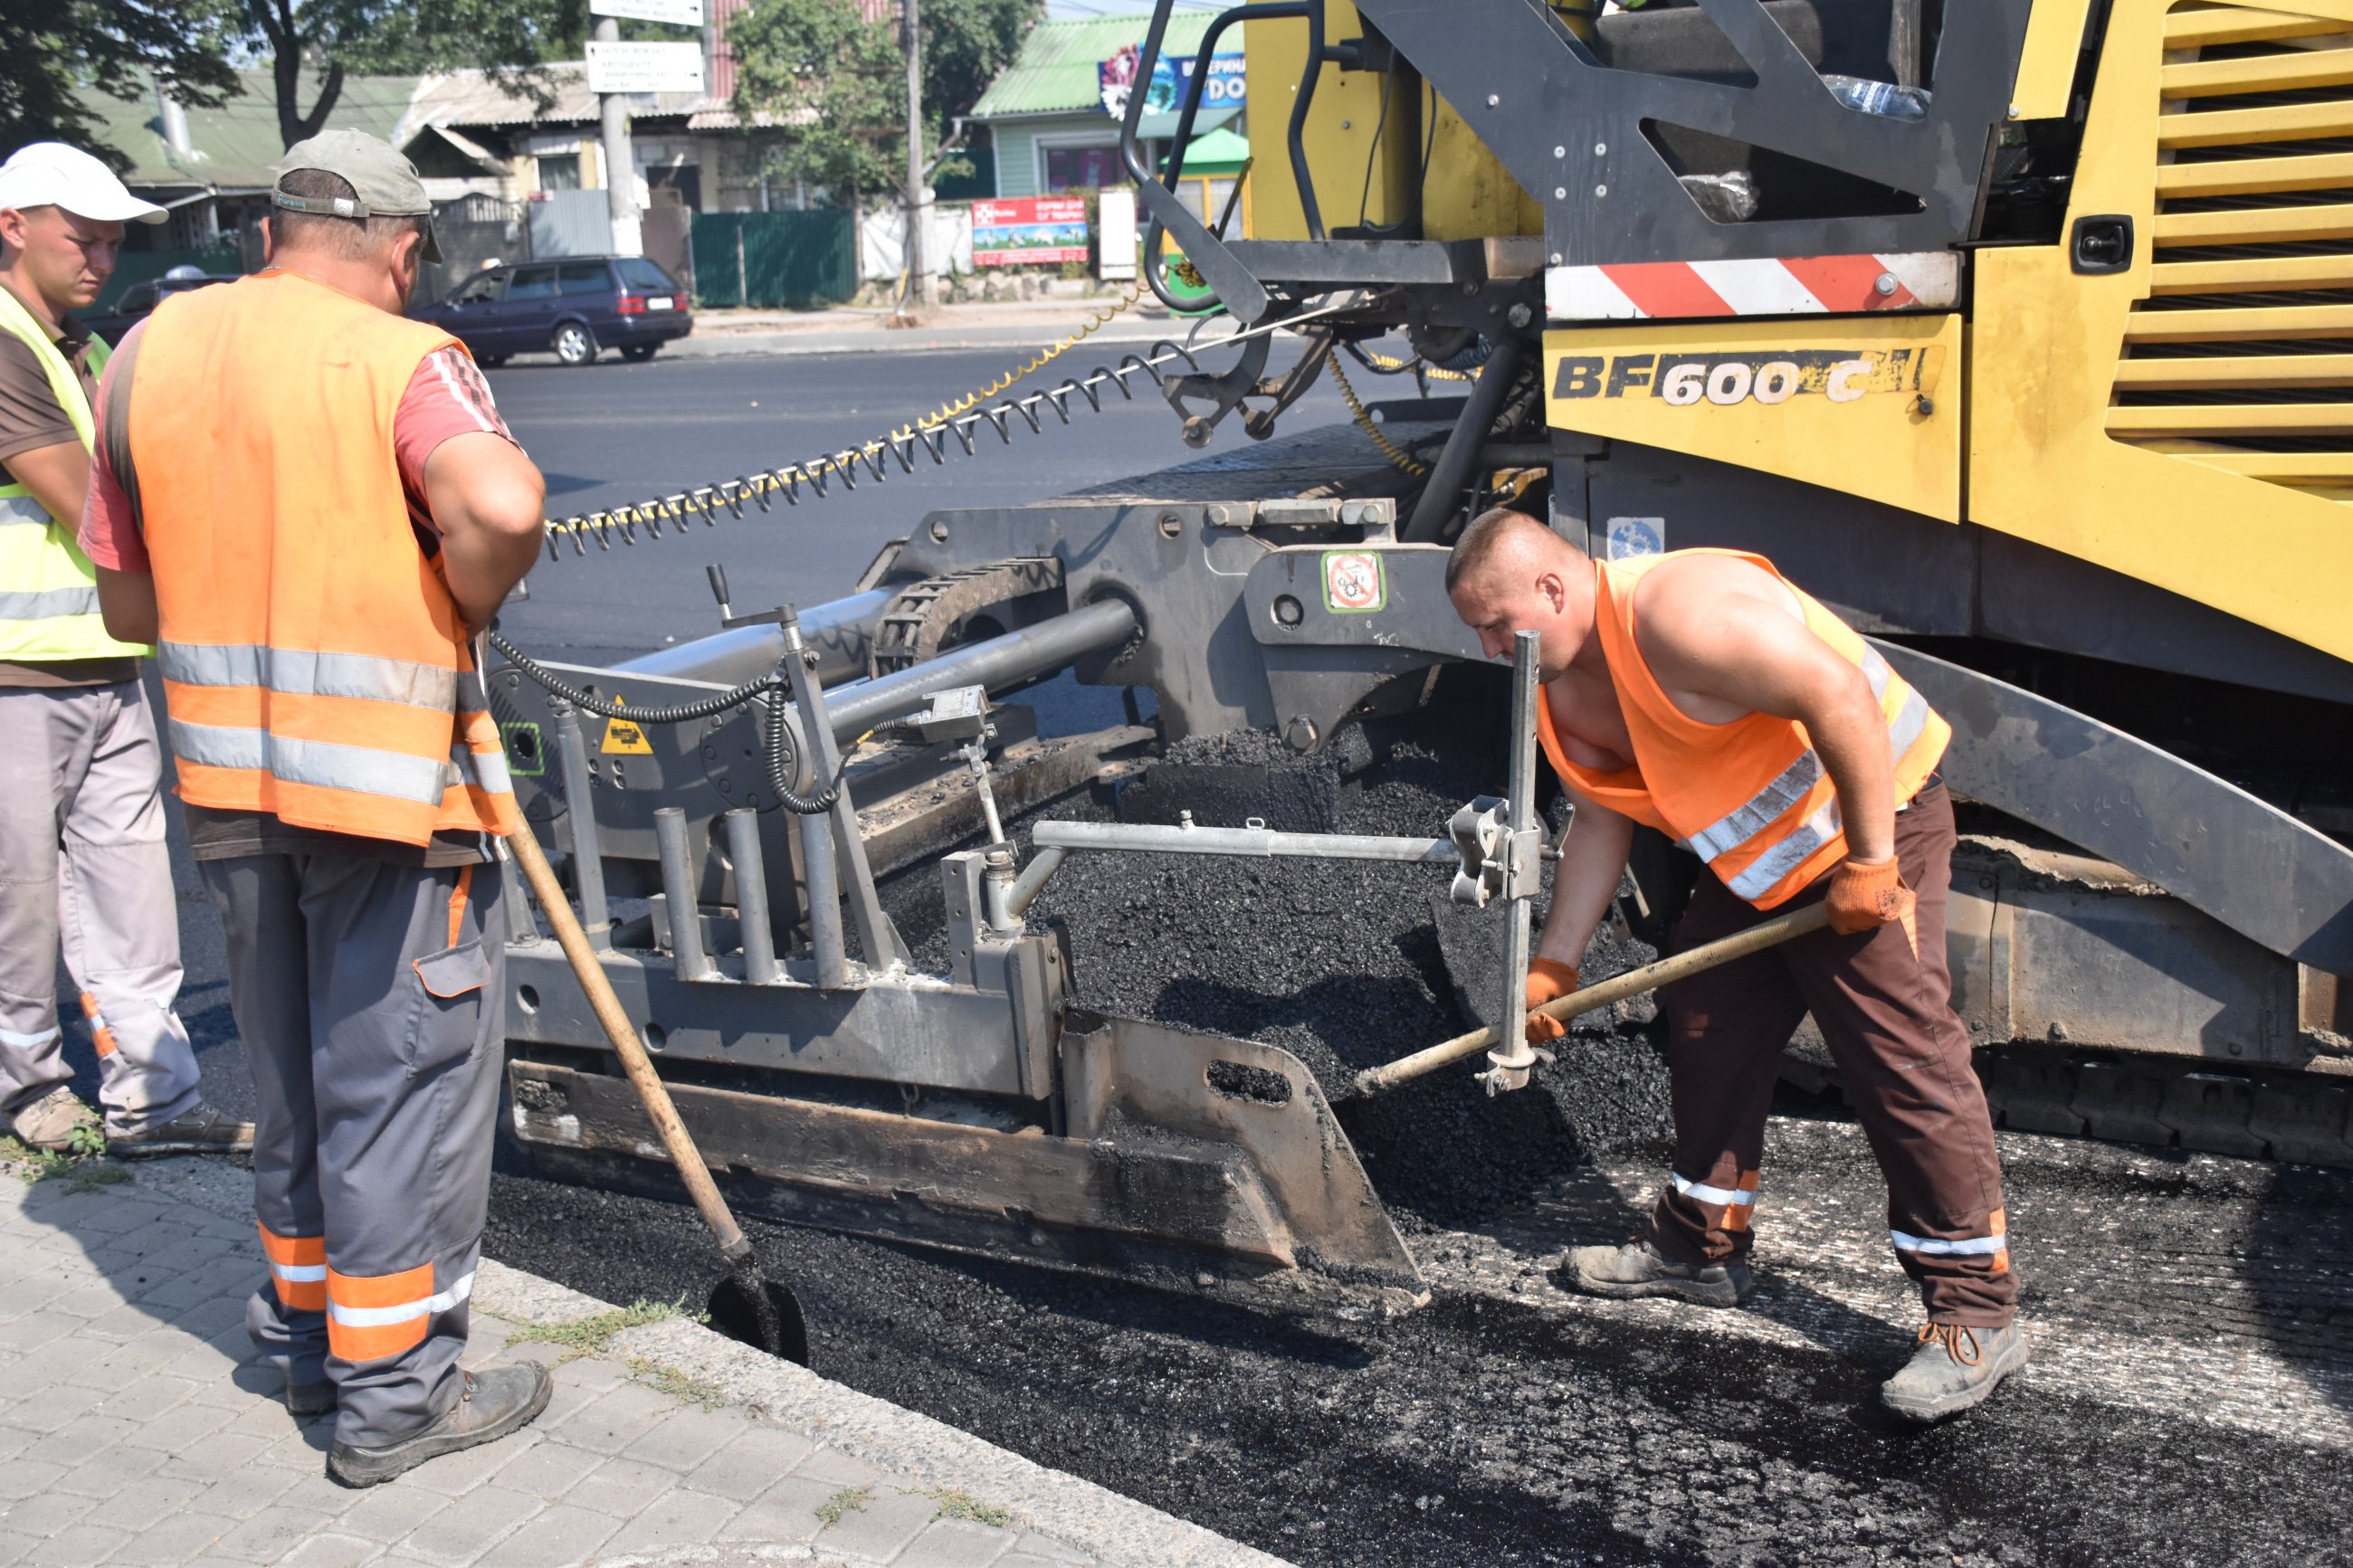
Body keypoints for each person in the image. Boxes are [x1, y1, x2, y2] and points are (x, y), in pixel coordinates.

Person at [80, 129, 551, 1486]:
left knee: (289, 1086)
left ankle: (305, 1344)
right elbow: (504, 501)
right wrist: (460, 597)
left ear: (265, 232)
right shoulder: (400, 358)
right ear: (400, 250)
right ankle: (398, 1400)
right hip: (395, 802)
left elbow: (127, 602)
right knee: (396, 1090)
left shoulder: (142, 355)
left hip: (229, 790)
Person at [1445, 508, 2024, 1422]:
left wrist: (1871, 861)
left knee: (1899, 1058)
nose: (1484, 647)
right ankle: (1698, 1250)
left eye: (1492, 621)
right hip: (1758, 862)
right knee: (1705, 1019)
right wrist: (1554, 964)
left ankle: (1973, 1311)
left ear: (1551, 589)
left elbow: (1837, 697)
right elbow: (1600, 818)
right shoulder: (1554, 681)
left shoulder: (1681, 614)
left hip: (1870, 826)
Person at [0, 142, 252, 1158]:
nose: (102, 257)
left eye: (112, 239)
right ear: (13, 226)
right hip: (13, 674)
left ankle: (156, 1100)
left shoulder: (89, 351)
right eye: (82, 236)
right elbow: (84, 494)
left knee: (133, 893)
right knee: (18, 901)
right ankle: (31, 1086)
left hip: (107, 663)